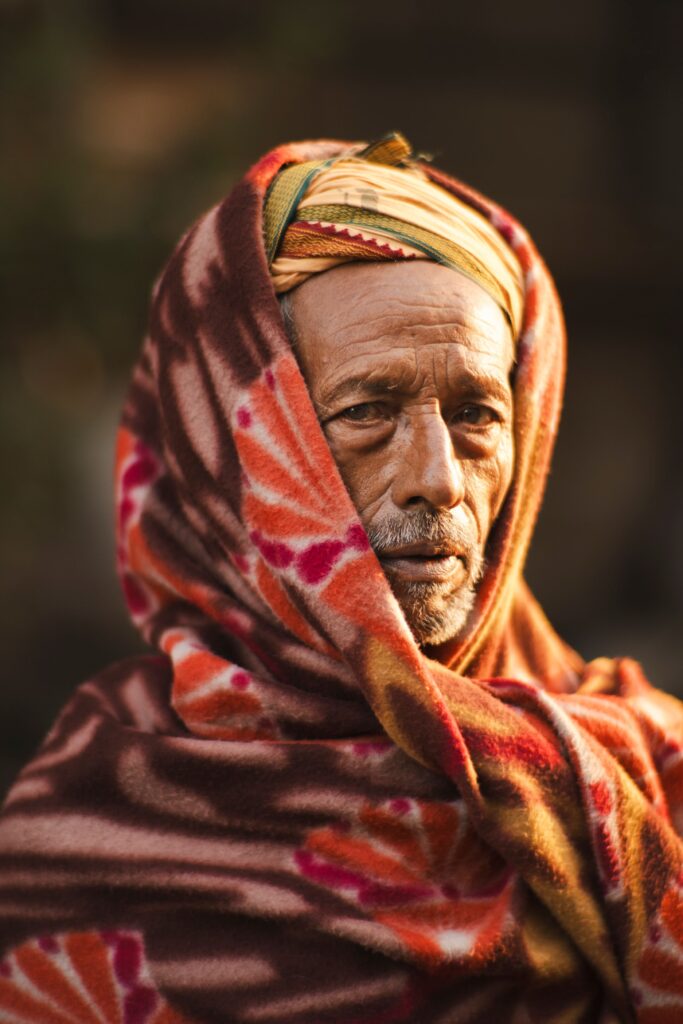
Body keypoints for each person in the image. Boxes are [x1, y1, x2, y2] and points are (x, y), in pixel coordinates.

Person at [0, 133, 681, 1024]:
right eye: (366, 410)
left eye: (477, 414)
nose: (438, 479)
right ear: (226, 451)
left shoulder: (653, 776)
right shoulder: (88, 830)